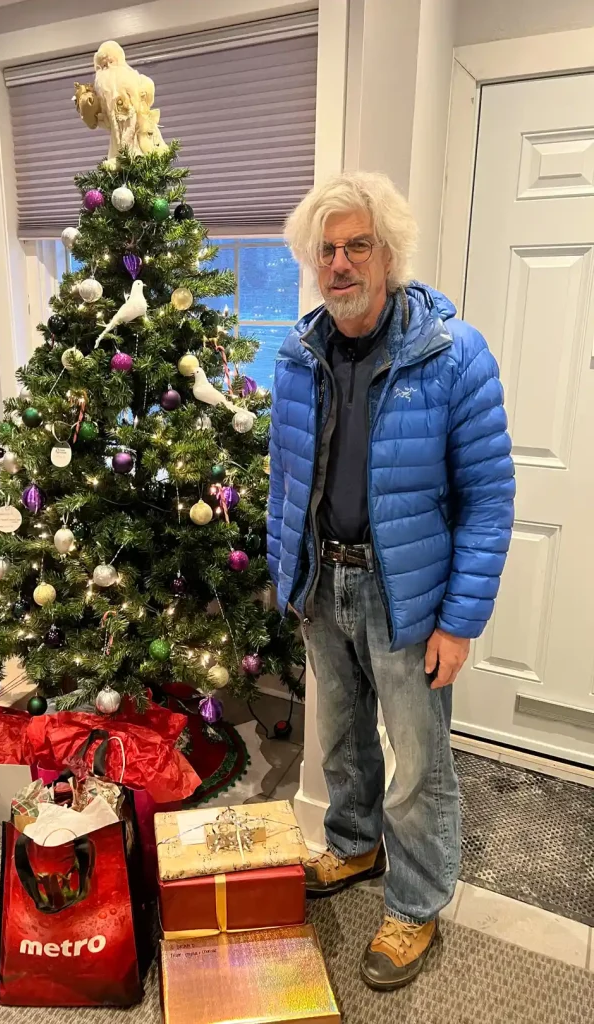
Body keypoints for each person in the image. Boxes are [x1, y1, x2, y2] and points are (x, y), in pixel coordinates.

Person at [267, 172, 515, 990]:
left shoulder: (451, 352)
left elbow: (488, 497)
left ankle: (414, 905)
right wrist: (286, 574)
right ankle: (352, 846)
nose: (340, 263)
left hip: (405, 594)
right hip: (323, 586)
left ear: (389, 253)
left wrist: (460, 621)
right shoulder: (298, 353)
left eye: (357, 245)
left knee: (420, 762)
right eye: (327, 249)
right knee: (339, 741)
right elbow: (285, 477)